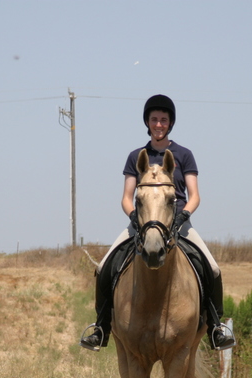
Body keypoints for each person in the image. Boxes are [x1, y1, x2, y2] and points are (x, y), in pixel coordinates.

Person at [79, 94, 236, 352]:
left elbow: (195, 195)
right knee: (104, 265)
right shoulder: (136, 157)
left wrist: (183, 214)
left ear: (170, 123)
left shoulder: (184, 155)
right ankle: (101, 327)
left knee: (213, 268)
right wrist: (133, 216)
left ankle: (216, 328)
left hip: (177, 221)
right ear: (147, 122)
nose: (159, 124)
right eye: (154, 119)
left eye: (163, 120)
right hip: (142, 221)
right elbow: (126, 198)